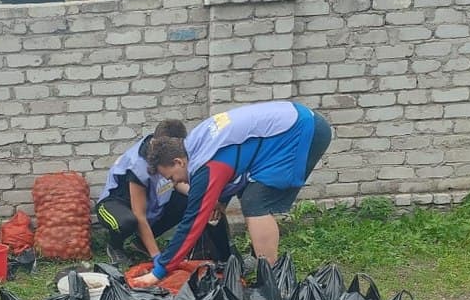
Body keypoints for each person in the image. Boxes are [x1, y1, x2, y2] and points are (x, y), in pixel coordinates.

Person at [132, 100, 333, 287]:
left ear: (178, 162)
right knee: (252, 194)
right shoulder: (194, 143)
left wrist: (158, 272)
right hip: (294, 122)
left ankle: (271, 280)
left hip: (301, 131)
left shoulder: (206, 166)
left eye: (171, 176)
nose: (176, 182)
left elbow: (192, 223)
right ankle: (261, 263)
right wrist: (221, 200)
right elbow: (235, 161)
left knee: (256, 202)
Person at [95, 120, 232, 269]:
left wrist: (207, 199)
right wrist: (158, 258)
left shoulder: (172, 155)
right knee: (128, 222)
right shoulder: (139, 165)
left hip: (151, 202)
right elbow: (139, 214)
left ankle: (141, 243)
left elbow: (177, 182)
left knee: (190, 201)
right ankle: (115, 245)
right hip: (116, 204)